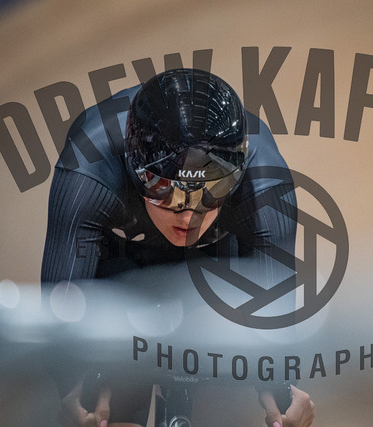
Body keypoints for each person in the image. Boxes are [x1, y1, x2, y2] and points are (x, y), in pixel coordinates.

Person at [41, 68, 314, 427]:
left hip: (215, 253)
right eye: (164, 191)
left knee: (228, 386)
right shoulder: (89, 167)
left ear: (238, 173)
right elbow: (61, 316)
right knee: (108, 395)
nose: (188, 216)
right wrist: (74, 388)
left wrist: (279, 391)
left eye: (212, 193)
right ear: (132, 166)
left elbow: (273, 331)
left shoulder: (264, 185)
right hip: (120, 254)